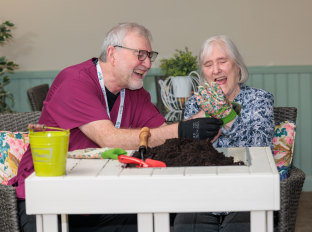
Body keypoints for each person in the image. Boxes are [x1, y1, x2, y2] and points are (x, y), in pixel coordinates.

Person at [8, 23, 222, 232]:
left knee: (170, 213)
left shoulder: (134, 93)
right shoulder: (75, 81)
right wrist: (183, 129)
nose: (147, 64)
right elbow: (108, 138)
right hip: (48, 196)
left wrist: (202, 124)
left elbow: (164, 133)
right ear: (112, 54)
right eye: (140, 55)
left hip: (100, 196)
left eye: (149, 56)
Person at [173, 35, 274, 232]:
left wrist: (227, 116)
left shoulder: (260, 99)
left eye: (222, 61)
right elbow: (187, 154)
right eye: (208, 64)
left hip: (247, 193)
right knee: (184, 226)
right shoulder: (195, 103)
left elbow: (261, 150)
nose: (216, 70)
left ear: (237, 67)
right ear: (203, 72)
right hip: (203, 195)